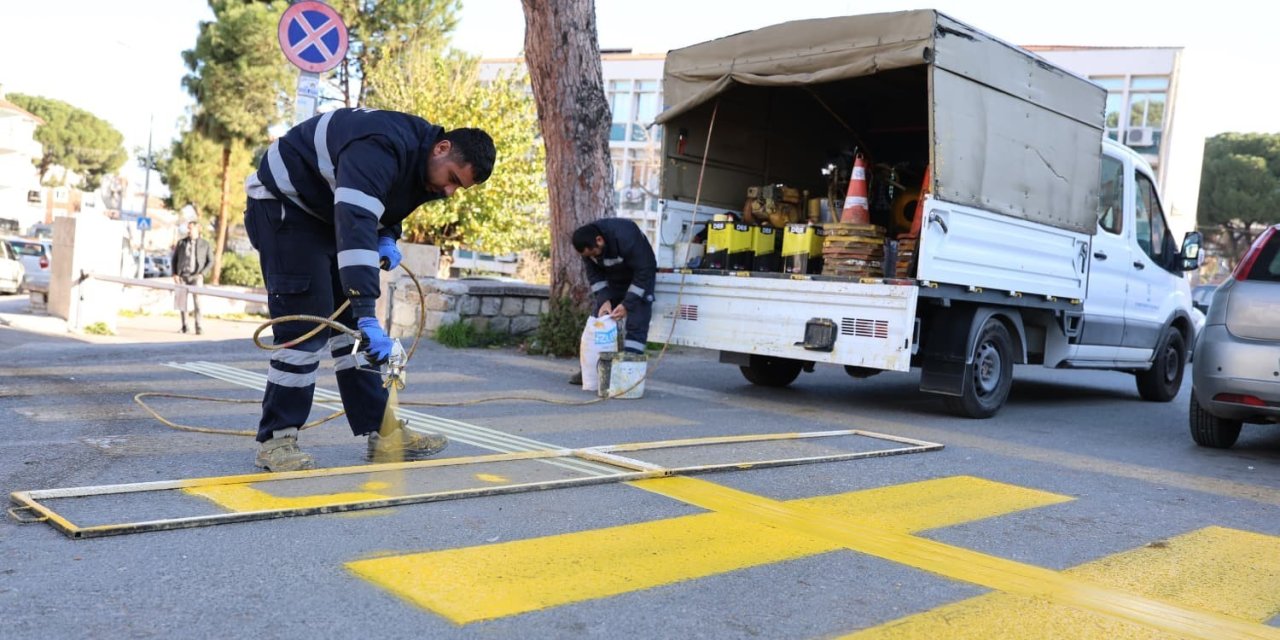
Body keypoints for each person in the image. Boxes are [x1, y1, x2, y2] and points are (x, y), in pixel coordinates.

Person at [243, 107, 495, 471]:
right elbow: (357, 220)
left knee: (354, 336)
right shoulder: (380, 144)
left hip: (328, 215)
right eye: (453, 179)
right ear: (441, 148)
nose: (449, 190)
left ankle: (384, 433)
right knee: (306, 330)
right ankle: (277, 441)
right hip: (286, 207)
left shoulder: (423, 166)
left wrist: (389, 237)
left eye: (459, 187)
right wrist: (365, 311)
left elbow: (385, 208)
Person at [569, 218, 657, 385]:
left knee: (636, 325)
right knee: (599, 322)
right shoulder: (588, 248)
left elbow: (645, 270)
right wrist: (604, 299)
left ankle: (628, 376)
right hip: (615, 281)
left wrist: (627, 304)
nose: (592, 257)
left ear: (599, 240)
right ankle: (593, 371)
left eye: (593, 253)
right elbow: (595, 276)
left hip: (640, 279)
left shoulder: (626, 235)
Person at [171, 221, 213, 335]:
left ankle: (198, 326)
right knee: (182, 303)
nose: (189, 231)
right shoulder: (181, 243)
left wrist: (202, 274)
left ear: (197, 229)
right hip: (182, 277)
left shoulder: (205, 244)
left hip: (196, 277)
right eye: (188, 229)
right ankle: (185, 326)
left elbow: (210, 261)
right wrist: (174, 273)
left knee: (198, 303)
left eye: (191, 229)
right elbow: (174, 259)